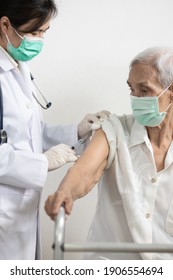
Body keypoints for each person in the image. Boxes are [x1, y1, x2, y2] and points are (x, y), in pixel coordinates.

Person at [0, 0, 110, 260]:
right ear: (5, 24)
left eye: (44, 33)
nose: (39, 40)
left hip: (19, 213)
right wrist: (42, 162)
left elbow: (31, 133)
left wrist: (77, 131)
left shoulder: (17, 68)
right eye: (34, 32)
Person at [45, 46, 173, 260]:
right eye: (131, 89)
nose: (135, 98)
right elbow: (85, 172)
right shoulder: (114, 129)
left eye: (144, 90)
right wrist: (64, 193)